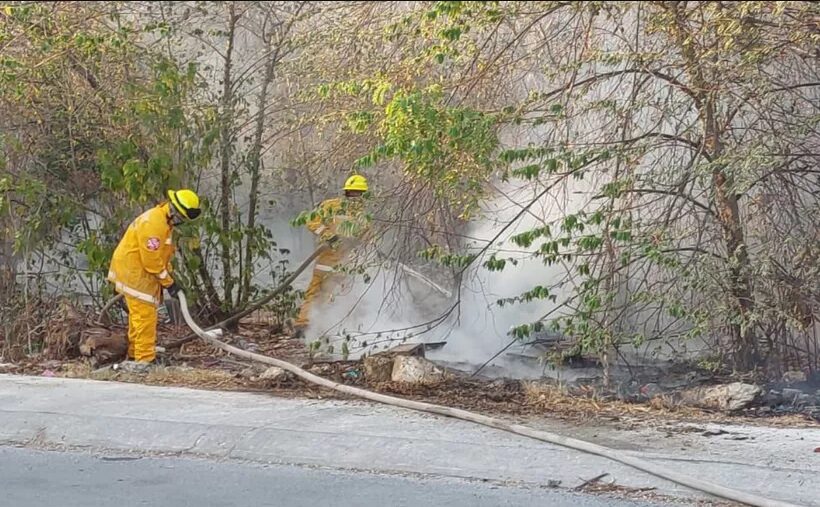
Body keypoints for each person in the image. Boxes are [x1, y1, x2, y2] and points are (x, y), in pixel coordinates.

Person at [107, 189, 201, 371]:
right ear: (175, 212)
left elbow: (162, 256)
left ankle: (136, 354)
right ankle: (144, 361)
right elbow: (151, 261)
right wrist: (169, 283)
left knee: (138, 317)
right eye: (182, 218)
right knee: (145, 317)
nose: (181, 223)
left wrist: (169, 278)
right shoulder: (154, 224)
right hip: (136, 275)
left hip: (136, 272)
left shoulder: (163, 222)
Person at [292, 174, 369, 338]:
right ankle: (303, 326)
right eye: (353, 193)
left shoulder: (363, 216)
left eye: (359, 194)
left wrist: (360, 244)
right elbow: (311, 221)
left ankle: (336, 327)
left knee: (344, 294)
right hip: (327, 258)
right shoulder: (332, 206)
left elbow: (368, 235)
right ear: (346, 192)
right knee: (316, 290)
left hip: (347, 261)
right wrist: (328, 235)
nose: (355, 197)